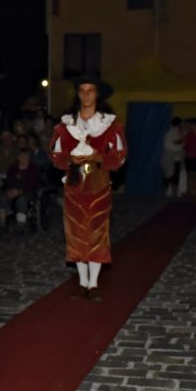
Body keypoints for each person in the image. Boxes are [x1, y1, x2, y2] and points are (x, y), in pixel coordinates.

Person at [50, 75, 127, 300]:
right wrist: (69, 160)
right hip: (74, 185)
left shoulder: (110, 126)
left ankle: (93, 285)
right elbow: (55, 154)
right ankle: (83, 283)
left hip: (98, 184)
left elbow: (120, 155)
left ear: (97, 94)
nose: (86, 94)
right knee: (75, 232)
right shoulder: (66, 126)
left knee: (96, 231)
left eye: (90, 90)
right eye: (82, 90)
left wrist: (99, 157)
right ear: (78, 94)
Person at [0, 147, 40, 230]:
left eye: (26, 156)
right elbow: (8, 181)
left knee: (22, 200)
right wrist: (10, 190)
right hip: (13, 190)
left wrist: (20, 191)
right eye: (22, 156)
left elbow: (32, 184)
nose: (24, 158)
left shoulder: (33, 169)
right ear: (18, 157)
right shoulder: (12, 168)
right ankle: (2, 223)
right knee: (3, 197)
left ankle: (20, 225)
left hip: (27, 192)